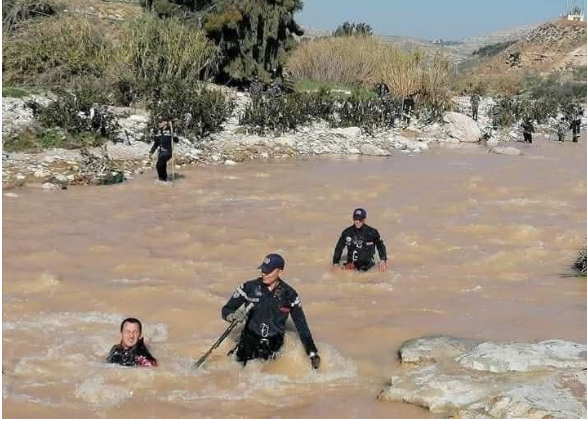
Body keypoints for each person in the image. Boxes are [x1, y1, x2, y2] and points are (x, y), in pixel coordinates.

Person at [222, 254, 321, 369]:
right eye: (263, 269)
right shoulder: (248, 287)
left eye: (268, 271)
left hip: (274, 344)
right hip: (249, 340)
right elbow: (226, 309)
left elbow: (301, 325)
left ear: (280, 272)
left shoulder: (290, 295)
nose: (263, 273)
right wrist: (232, 316)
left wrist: (312, 353)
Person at [332, 208, 388, 272]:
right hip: (351, 266)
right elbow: (339, 248)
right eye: (355, 218)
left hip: (368, 266)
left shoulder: (372, 232)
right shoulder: (347, 232)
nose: (357, 221)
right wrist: (335, 263)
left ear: (364, 219)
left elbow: (380, 246)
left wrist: (383, 260)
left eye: (360, 219)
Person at [149, 116, 178, 182]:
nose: (158, 124)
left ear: (165, 122)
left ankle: (161, 180)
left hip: (168, 152)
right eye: (158, 122)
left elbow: (176, 140)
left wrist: (174, 136)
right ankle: (164, 180)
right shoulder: (158, 132)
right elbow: (156, 144)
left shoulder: (170, 130)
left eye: (160, 122)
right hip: (161, 152)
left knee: (159, 164)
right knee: (162, 166)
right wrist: (151, 152)